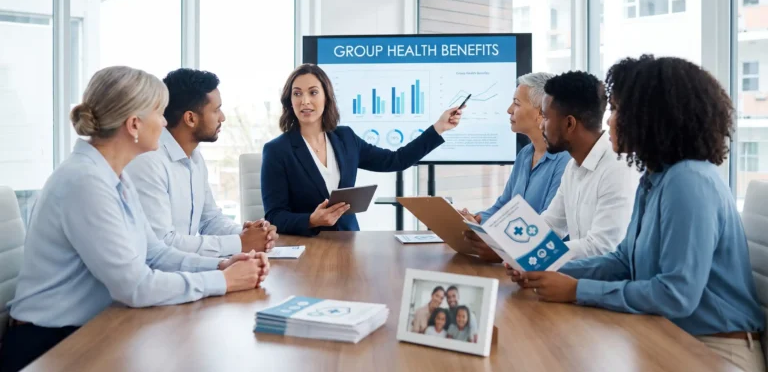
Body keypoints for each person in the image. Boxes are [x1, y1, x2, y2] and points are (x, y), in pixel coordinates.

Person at [0, 67, 269, 372]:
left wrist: (222, 264)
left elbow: (155, 252)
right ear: (134, 125)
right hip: (51, 345)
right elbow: (135, 287)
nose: (166, 122)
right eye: (160, 113)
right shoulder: (85, 182)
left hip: (94, 327)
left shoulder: (115, 176)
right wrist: (222, 281)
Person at [508, 55, 766, 372]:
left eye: (617, 110)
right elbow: (622, 261)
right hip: (672, 334)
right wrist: (550, 272)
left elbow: (675, 295)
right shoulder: (655, 179)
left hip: (716, 349)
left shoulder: (688, 181)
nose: (609, 121)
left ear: (650, 117)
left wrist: (577, 290)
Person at [261, 64, 463, 236]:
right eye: (297, 94)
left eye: (313, 92)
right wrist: (311, 220)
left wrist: (439, 127)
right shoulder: (277, 151)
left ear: (326, 97)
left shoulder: (345, 138)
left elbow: (396, 160)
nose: (305, 101)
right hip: (307, 247)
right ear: (290, 101)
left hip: (349, 243)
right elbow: (274, 216)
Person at [466, 71, 638, 261]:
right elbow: (548, 226)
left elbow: (601, 247)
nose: (541, 126)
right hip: (575, 276)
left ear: (569, 124)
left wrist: (512, 253)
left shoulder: (617, 168)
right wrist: (505, 247)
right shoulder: (574, 168)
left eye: (546, 118)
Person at [126, 68, 277, 257]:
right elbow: (163, 243)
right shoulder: (148, 161)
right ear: (190, 118)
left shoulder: (195, 157)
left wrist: (247, 234)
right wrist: (239, 242)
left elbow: (209, 219)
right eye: (216, 110)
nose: (222, 117)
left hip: (184, 269)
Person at [459, 73, 571, 261]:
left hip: (544, 263)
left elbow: (546, 226)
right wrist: (475, 220)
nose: (509, 110)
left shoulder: (565, 161)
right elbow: (504, 206)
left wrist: (502, 250)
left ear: (541, 112)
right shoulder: (525, 155)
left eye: (517, 103)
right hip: (515, 259)